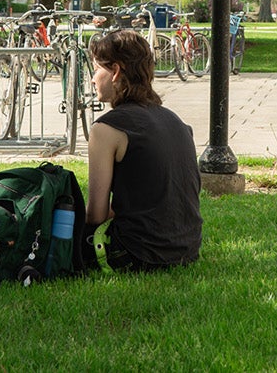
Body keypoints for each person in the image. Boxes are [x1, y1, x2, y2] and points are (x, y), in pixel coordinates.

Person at [85, 29, 202, 272]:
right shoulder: (175, 121)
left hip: (137, 253)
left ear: (115, 71)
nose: (93, 78)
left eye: (97, 69)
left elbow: (95, 216)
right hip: (187, 249)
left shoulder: (106, 129)